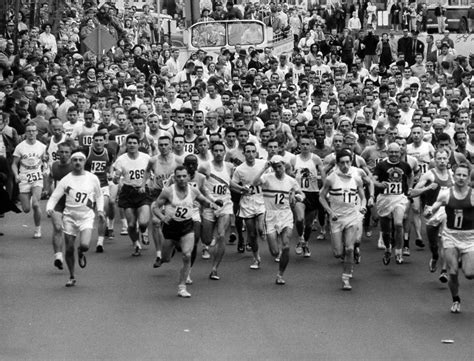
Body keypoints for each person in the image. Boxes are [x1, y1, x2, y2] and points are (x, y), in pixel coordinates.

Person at [152, 166, 221, 298]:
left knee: (187, 255)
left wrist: (213, 205)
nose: (182, 179)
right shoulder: (168, 191)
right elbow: (155, 207)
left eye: (184, 176)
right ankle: (166, 255)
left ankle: (182, 287)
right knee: (166, 258)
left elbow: (203, 200)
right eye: (178, 176)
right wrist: (162, 217)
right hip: (170, 226)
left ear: (188, 177)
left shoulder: (193, 190)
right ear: (174, 178)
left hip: (186, 226)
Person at [46, 151, 105, 287]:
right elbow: (55, 196)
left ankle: (81, 252)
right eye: (75, 160)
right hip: (70, 217)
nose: (78, 162)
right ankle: (72, 276)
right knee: (69, 248)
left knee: (84, 245)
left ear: (84, 162)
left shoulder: (92, 178)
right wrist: (49, 208)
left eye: (80, 160)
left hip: (86, 217)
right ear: (71, 162)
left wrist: (100, 210)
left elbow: (99, 196)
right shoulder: (66, 180)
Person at [425, 163, 474, 313]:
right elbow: (436, 205)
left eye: (464, 175)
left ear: (469, 177)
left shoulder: (472, 195)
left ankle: (465, 260)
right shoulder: (447, 193)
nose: (461, 178)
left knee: (469, 274)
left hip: (469, 237)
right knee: (452, 272)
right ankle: (456, 299)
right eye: (458, 174)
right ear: (454, 175)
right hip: (450, 236)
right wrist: (430, 211)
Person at [319, 149, 367, 290]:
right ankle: (347, 259)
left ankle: (346, 277)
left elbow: (363, 197)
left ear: (351, 162)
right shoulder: (331, 179)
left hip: (351, 217)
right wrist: (329, 211)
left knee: (350, 248)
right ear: (337, 163)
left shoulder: (356, 178)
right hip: (337, 219)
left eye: (348, 162)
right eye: (342, 163)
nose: (345, 165)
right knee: (338, 253)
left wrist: (363, 206)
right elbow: (321, 197)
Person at [253, 155, 304, 284]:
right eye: (275, 167)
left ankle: (280, 274)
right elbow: (254, 183)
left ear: (284, 166)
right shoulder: (267, 178)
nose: (278, 169)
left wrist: (297, 197)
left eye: (280, 166)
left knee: (286, 246)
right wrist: (264, 168)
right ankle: (278, 255)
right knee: (275, 252)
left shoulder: (291, 181)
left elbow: (301, 194)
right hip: (270, 215)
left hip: (285, 214)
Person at [411, 149, 452, 283]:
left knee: (445, 241)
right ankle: (435, 256)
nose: (441, 161)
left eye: (444, 158)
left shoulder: (453, 174)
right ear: (434, 159)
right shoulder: (429, 174)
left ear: (448, 159)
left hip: (447, 210)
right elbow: (413, 192)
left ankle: (444, 271)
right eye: (439, 158)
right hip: (431, 211)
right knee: (434, 244)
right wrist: (428, 188)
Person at [199, 141, 235, 280]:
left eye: (221, 150)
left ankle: (214, 268)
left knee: (221, 235)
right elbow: (199, 183)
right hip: (209, 205)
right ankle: (208, 242)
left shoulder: (229, 166)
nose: (219, 153)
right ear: (211, 152)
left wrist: (240, 188)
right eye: (216, 150)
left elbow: (228, 183)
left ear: (224, 152)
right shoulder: (205, 166)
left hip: (225, 204)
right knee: (207, 240)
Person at [373, 143, 413, 265]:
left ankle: (399, 252)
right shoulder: (381, 165)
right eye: (391, 152)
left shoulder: (405, 165)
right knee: (386, 231)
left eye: (396, 152)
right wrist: (379, 184)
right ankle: (388, 249)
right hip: (384, 199)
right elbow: (373, 179)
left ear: (400, 153)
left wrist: (410, 188)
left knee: (398, 224)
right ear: (387, 153)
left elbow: (411, 175)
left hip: (399, 198)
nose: (394, 154)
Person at [113, 134, 151, 256]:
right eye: (129, 143)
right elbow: (115, 178)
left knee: (144, 222)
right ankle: (136, 243)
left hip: (142, 191)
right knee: (131, 224)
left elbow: (151, 174)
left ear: (138, 145)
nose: (132, 145)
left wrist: (145, 184)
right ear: (126, 145)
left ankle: (144, 230)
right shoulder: (121, 160)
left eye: (134, 143)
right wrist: (116, 178)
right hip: (128, 191)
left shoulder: (146, 158)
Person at [148, 135, 182, 268]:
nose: (163, 147)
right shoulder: (153, 160)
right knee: (156, 222)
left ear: (170, 145)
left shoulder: (178, 160)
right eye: (160, 145)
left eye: (165, 144)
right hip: (158, 194)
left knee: (175, 221)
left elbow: (184, 176)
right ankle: (158, 254)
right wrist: (145, 183)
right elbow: (146, 171)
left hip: (173, 195)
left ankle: (173, 243)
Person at [232, 142, 267, 269]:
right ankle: (256, 257)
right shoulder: (239, 169)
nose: (251, 154)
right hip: (247, 201)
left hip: (261, 199)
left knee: (261, 229)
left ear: (256, 152)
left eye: (253, 151)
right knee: (251, 234)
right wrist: (241, 190)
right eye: (248, 151)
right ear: (244, 153)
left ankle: (264, 230)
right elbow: (233, 185)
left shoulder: (263, 164)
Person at [291, 135, 325, 258]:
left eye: (307, 144)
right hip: (299, 193)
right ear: (299, 145)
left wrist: (323, 187)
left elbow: (323, 174)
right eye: (302, 144)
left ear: (311, 145)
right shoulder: (294, 159)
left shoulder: (315, 159)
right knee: (300, 219)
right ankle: (300, 239)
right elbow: (289, 175)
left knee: (309, 225)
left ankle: (305, 242)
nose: (305, 146)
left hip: (313, 193)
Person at [12, 122, 47, 238]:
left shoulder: (42, 146)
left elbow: (45, 160)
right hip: (24, 178)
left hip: (37, 177)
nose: (31, 133)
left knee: (36, 205)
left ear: (36, 132)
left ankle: (38, 229)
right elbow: (14, 164)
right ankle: (31, 197)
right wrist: (16, 175)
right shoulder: (20, 147)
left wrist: (45, 168)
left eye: (33, 130)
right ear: (26, 133)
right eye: (29, 131)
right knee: (26, 209)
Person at [84, 131, 115, 252]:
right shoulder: (86, 152)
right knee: (89, 214)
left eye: (100, 140)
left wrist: (111, 173)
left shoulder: (109, 153)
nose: (98, 142)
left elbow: (111, 164)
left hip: (103, 186)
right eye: (96, 140)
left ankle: (100, 242)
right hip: (88, 188)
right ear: (92, 141)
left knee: (102, 213)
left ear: (104, 141)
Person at [46, 141, 74, 269]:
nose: (63, 154)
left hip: (72, 203)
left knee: (69, 234)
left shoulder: (76, 166)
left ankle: (70, 255)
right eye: (61, 152)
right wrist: (47, 190)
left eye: (66, 152)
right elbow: (51, 178)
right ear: (57, 153)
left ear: (71, 153)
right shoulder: (54, 165)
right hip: (58, 202)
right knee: (57, 227)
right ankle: (58, 256)